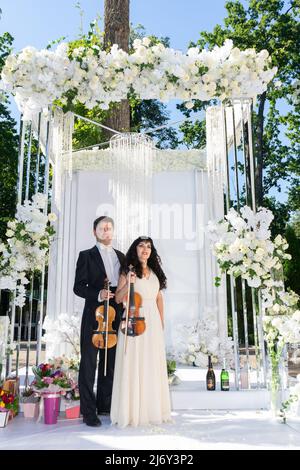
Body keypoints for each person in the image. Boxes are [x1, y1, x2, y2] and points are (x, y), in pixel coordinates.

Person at [110, 236, 172, 427]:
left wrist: (161, 325)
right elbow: (119, 299)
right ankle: (131, 413)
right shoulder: (127, 271)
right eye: (141, 246)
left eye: (148, 246)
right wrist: (128, 282)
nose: (145, 249)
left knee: (150, 366)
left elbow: (158, 299)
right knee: (133, 364)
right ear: (134, 249)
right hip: (133, 322)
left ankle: (151, 410)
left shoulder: (155, 272)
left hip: (152, 322)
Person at [73, 216, 125, 427]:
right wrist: (98, 294)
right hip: (95, 312)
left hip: (116, 310)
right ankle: (88, 411)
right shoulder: (86, 255)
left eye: (109, 228)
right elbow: (78, 287)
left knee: (110, 362)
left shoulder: (122, 256)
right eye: (102, 228)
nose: (106, 231)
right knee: (88, 363)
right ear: (94, 232)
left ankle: (105, 405)